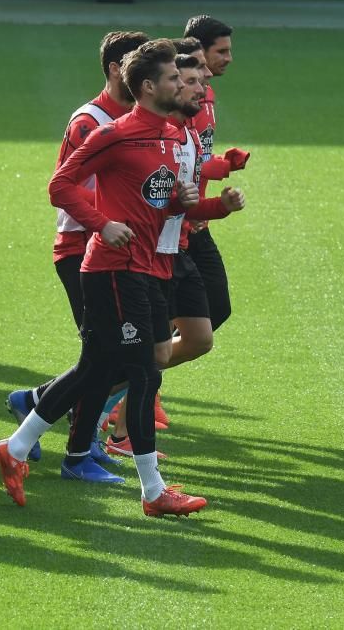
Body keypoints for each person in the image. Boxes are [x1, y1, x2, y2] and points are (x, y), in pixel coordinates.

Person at [0, 40, 208, 517]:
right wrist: (101, 224)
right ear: (149, 87)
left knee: (101, 368)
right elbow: (60, 185)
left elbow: (156, 201)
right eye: (175, 77)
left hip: (150, 268)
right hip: (113, 270)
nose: (185, 84)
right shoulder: (115, 134)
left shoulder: (171, 136)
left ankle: (16, 446)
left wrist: (186, 202)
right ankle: (153, 492)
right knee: (144, 374)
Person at [5, 30, 147, 469]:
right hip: (82, 248)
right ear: (113, 69)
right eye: (135, 67)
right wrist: (108, 222)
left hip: (119, 251)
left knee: (125, 355)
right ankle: (78, 451)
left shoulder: (139, 122)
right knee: (107, 356)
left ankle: (35, 402)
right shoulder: (90, 122)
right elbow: (64, 187)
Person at [104, 53, 246, 455]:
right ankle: (86, 416)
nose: (199, 87)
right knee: (143, 355)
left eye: (200, 80)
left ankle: (94, 410)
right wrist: (104, 226)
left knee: (193, 341)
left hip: (176, 249)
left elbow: (179, 202)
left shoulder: (185, 136)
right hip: (139, 257)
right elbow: (65, 185)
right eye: (188, 80)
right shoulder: (130, 133)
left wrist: (219, 206)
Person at [181, 16, 246, 333]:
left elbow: (198, 153)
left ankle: (141, 373)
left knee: (216, 308)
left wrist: (225, 161)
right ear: (200, 53)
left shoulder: (208, 97)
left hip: (199, 217)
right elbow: (180, 158)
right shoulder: (179, 101)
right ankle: (137, 376)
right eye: (222, 51)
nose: (229, 59)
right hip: (178, 220)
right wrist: (221, 167)